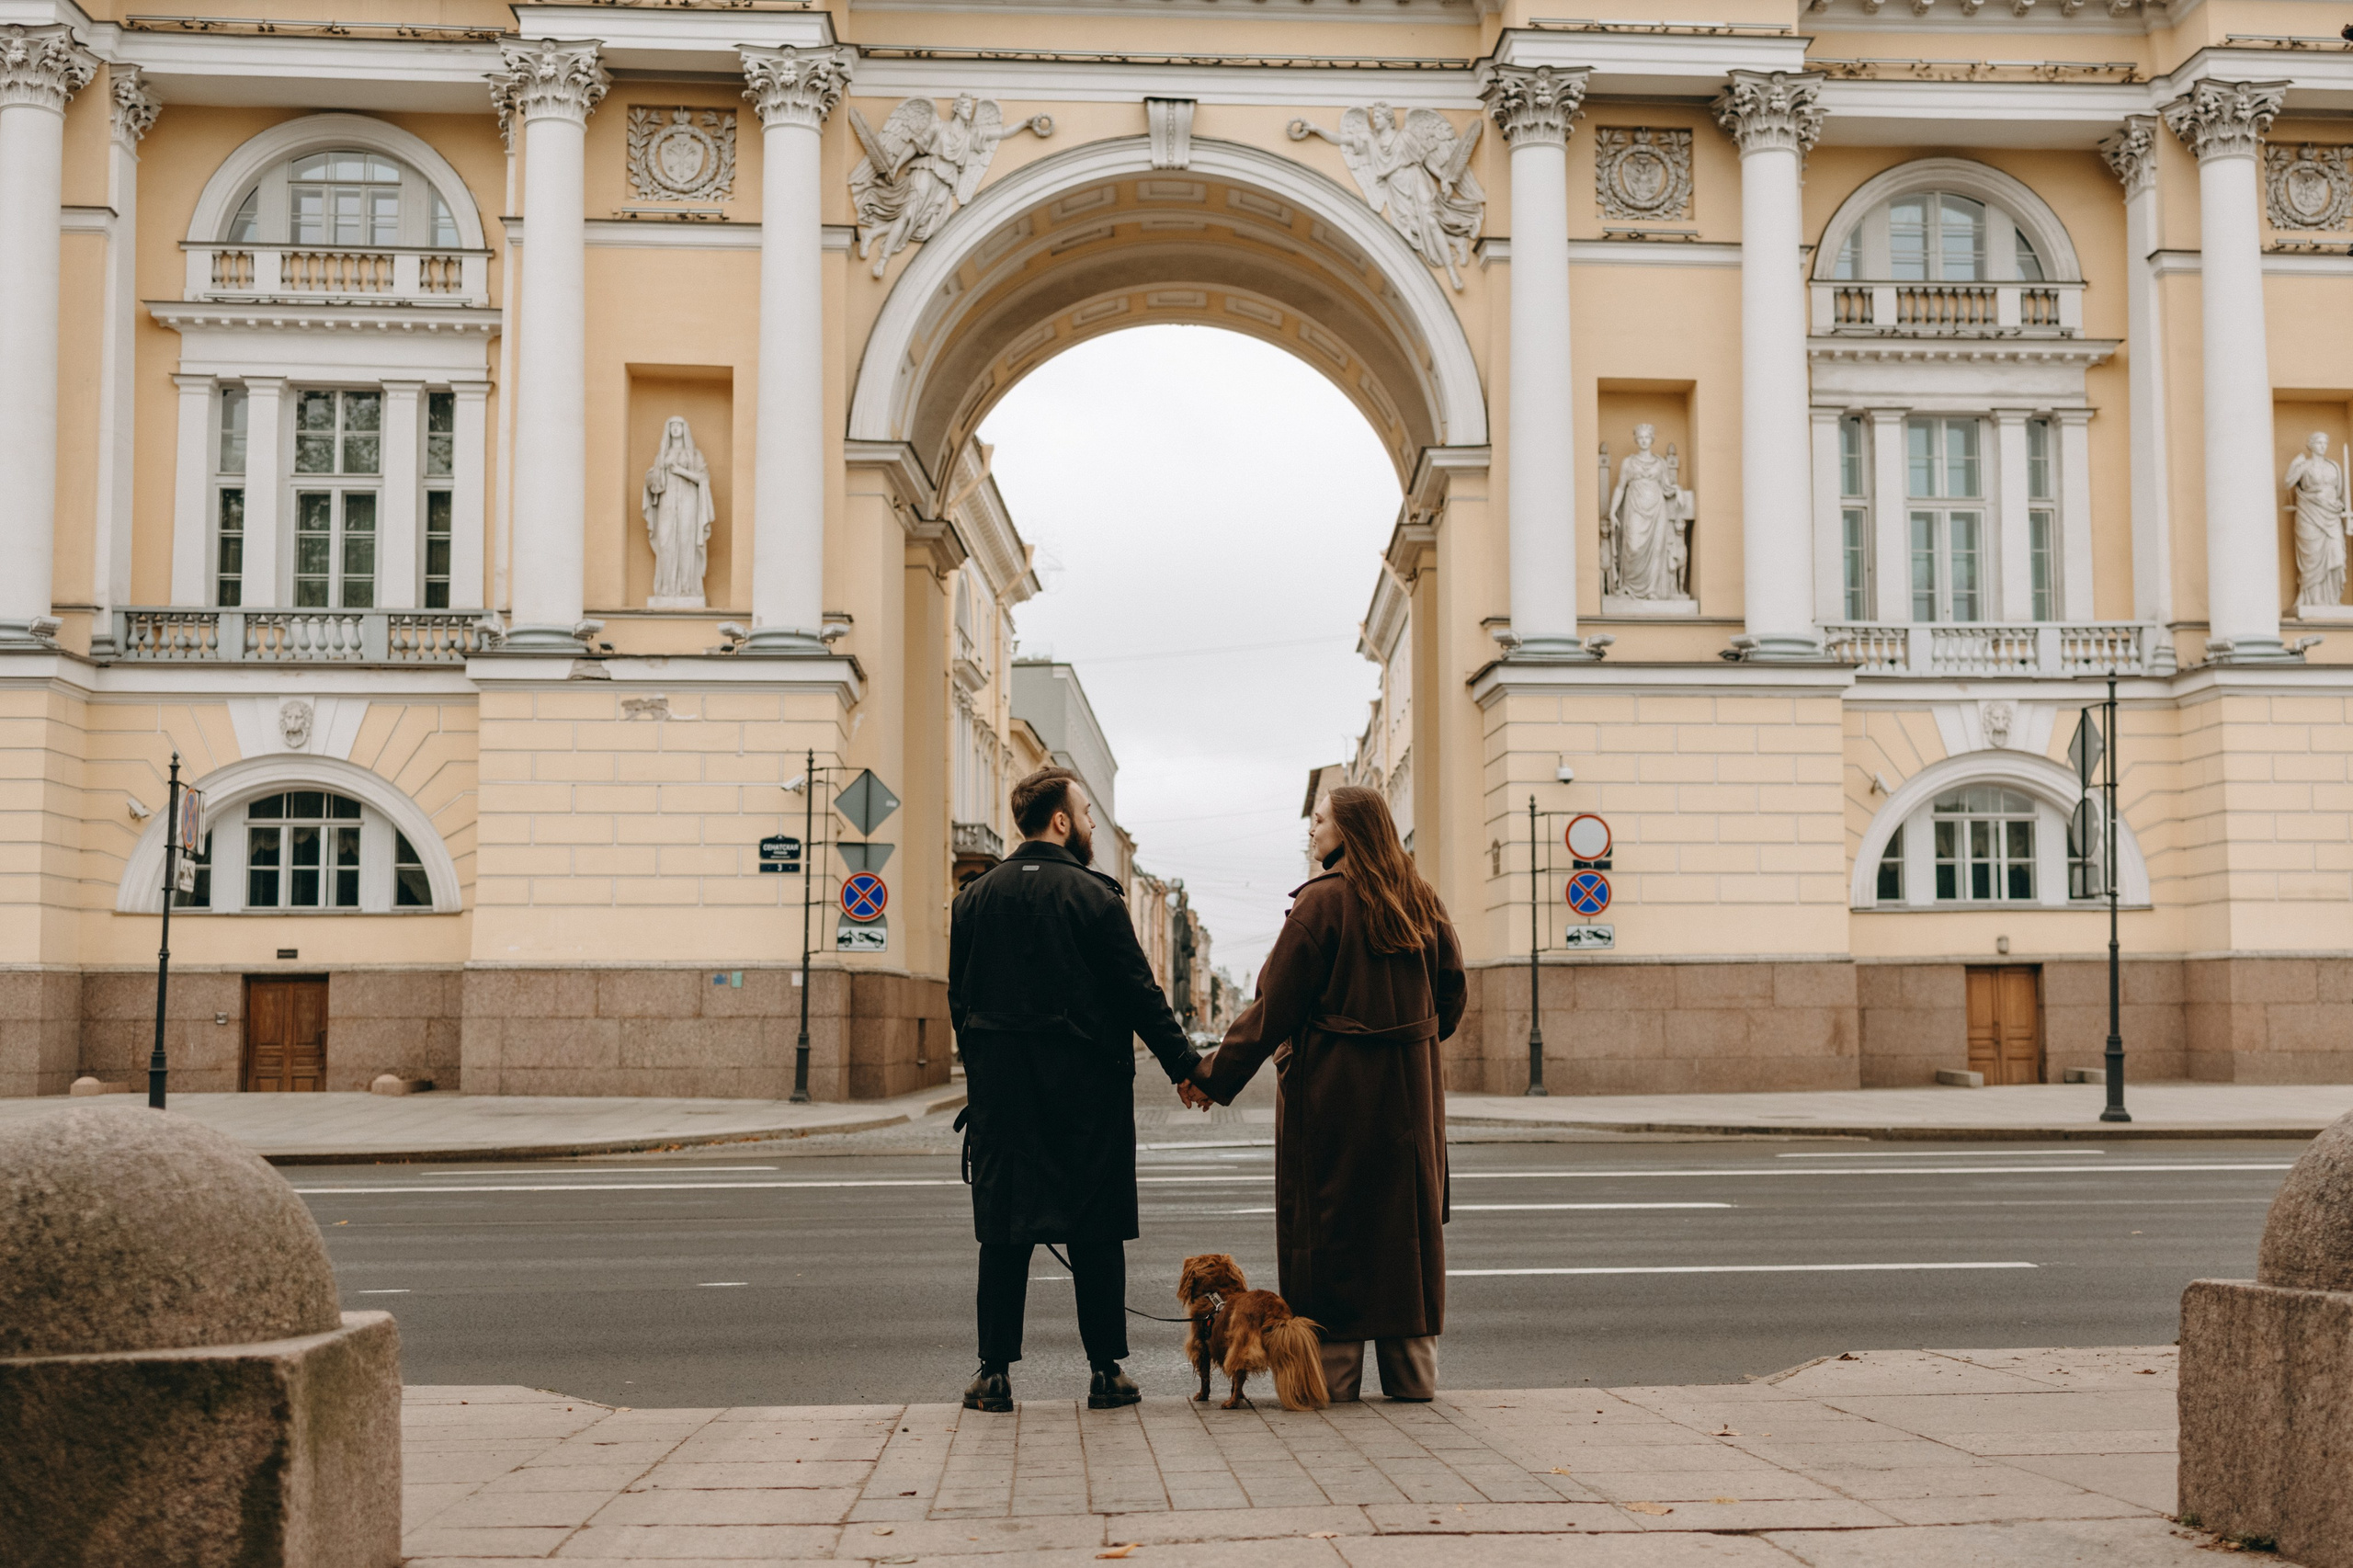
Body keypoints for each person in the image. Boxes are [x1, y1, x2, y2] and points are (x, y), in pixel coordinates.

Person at [1182, 785, 1466, 1402]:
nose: (1311, 833)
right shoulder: (1424, 902)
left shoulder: (1321, 905)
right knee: (1406, 1230)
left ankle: (1333, 1376)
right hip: (1411, 1096)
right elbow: (1453, 999)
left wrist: (1211, 1076)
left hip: (1331, 1095)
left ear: (1349, 832)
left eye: (1318, 821)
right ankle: (1413, 1375)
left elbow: (1272, 1009)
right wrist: (1406, 1044)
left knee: (1333, 1227)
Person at [949, 765, 1203, 1413]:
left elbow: (961, 1001)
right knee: (1095, 1230)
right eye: (1087, 814)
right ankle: (1105, 1374)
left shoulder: (974, 900)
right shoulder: (1095, 897)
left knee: (1004, 1233)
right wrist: (1188, 1069)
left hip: (1004, 1100)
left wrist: (985, 1079)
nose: (1092, 825)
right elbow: (1138, 993)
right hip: (1087, 1099)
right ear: (1060, 821)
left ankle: (993, 1375)